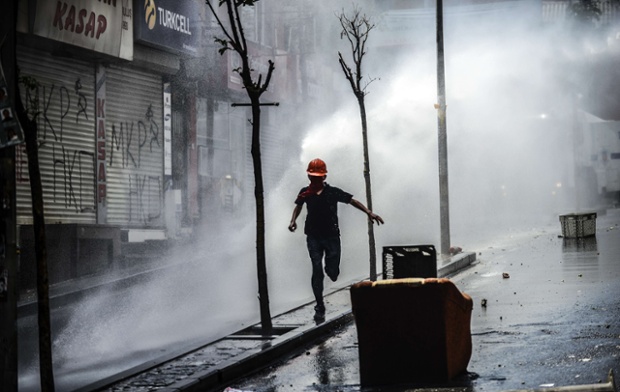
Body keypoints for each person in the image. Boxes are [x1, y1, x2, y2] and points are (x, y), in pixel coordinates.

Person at [288, 158, 384, 320]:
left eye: (318, 177)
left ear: (324, 177)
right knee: (316, 268)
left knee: (332, 272)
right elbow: (299, 205)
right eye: (312, 177)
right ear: (309, 177)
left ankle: (331, 271)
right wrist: (293, 221)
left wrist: (369, 212)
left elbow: (351, 200)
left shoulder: (332, 192)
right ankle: (319, 303)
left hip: (332, 236)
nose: (315, 180)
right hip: (313, 236)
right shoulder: (305, 192)